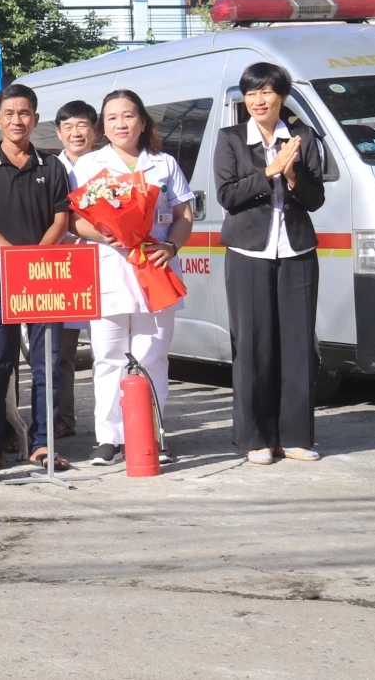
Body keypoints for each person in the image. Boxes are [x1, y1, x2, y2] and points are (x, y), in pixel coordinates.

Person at [70, 90, 194, 467]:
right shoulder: (89, 165)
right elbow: (75, 220)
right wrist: (107, 233)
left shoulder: (165, 164)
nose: (120, 124)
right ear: (102, 126)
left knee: (151, 356)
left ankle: (151, 433)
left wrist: (171, 247)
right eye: (111, 118)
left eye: (127, 116)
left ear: (142, 122)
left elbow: (184, 216)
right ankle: (109, 438)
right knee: (107, 357)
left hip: (154, 269)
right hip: (108, 269)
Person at [217, 62, 326, 465]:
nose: (258, 101)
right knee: (252, 346)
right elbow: (227, 196)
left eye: (265, 92)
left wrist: (293, 172)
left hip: (296, 250)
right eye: (251, 94)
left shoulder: (303, 137)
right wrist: (269, 171)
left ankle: (296, 436)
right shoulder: (230, 139)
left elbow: (316, 200)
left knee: (298, 346)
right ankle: (257, 438)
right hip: (248, 252)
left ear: (282, 95)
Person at [0, 82, 73, 473]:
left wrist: (38, 257)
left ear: (36, 119)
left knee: (47, 362)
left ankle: (44, 444)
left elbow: (63, 218)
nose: (17, 120)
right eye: (9, 113)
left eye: (24, 113)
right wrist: (12, 257)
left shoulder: (53, 165)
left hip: (45, 280)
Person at [51, 100, 103, 435]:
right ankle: (63, 418)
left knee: (111, 350)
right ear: (58, 133)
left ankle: (114, 423)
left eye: (82, 125)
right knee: (62, 351)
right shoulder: (50, 169)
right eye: (68, 127)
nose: (75, 133)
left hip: (106, 262)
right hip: (66, 268)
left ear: (95, 130)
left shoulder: (109, 167)